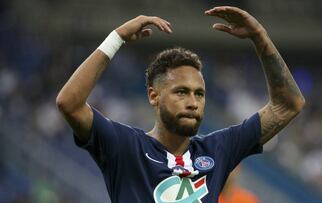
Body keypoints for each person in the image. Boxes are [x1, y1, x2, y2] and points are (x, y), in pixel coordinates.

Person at [56, 6, 305, 203]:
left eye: (199, 94)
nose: (193, 103)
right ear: (154, 96)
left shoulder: (217, 150)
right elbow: (69, 104)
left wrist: (260, 37)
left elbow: (289, 105)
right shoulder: (125, 147)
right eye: (182, 92)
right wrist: (116, 38)